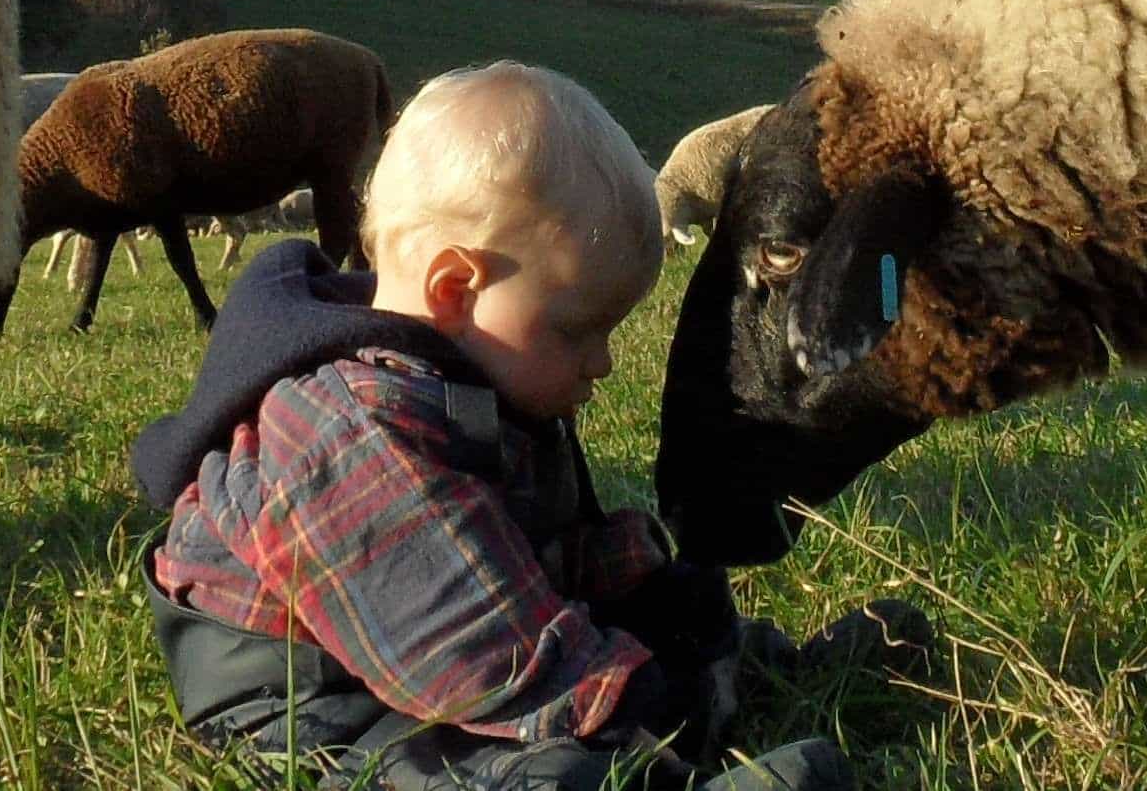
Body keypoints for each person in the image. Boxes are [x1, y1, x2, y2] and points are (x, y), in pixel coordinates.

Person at [131, 62, 895, 789]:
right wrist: (639, 701)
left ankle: (749, 670)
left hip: (443, 649)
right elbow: (478, 652)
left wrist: (649, 584)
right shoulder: (347, 433)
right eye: (578, 330)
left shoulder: (475, 381)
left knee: (656, 618)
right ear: (456, 289)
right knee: (531, 772)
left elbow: (526, 550)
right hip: (321, 708)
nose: (602, 362)